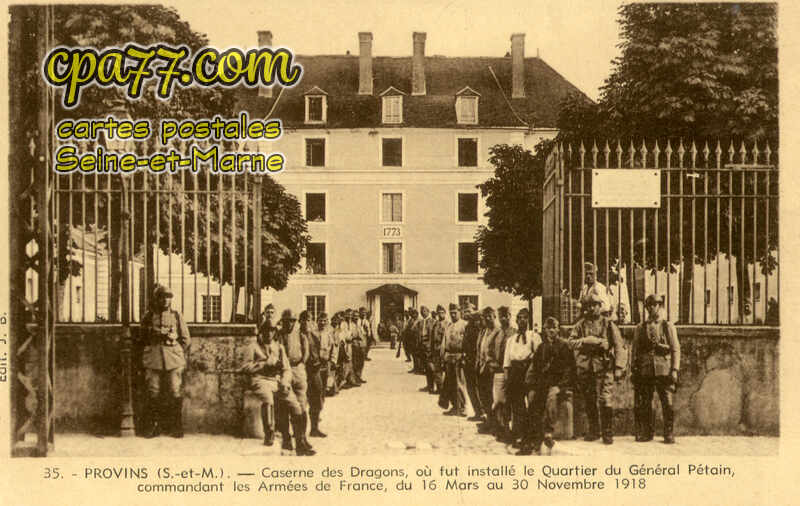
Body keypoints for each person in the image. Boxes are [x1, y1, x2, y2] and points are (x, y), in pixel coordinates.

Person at [569, 292, 625, 444]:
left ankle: (607, 432)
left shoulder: (608, 324)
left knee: (605, 399)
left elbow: (619, 346)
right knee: (589, 399)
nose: (592, 308)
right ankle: (594, 430)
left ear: (600, 306)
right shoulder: (580, 325)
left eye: (595, 305)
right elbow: (571, 342)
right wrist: (587, 340)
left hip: (604, 367)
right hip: (586, 368)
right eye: (589, 305)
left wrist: (619, 367)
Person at [517, 317, 575, 455]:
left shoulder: (564, 346)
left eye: (554, 327)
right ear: (545, 330)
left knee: (551, 400)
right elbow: (535, 367)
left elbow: (569, 368)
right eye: (548, 328)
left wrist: (563, 385)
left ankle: (548, 432)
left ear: (558, 329)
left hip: (557, 383)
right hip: (542, 383)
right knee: (533, 404)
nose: (551, 330)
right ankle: (530, 440)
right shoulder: (541, 347)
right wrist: (531, 384)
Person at [140, 284, 191, 438]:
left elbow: (185, 339)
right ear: (157, 298)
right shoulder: (148, 316)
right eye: (162, 297)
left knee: (175, 391)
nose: (166, 300)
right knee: (152, 391)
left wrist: (177, 351)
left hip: (173, 359)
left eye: (168, 297)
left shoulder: (176, 316)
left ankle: (175, 426)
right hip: (153, 358)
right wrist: (154, 335)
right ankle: (153, 426)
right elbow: (142, 338)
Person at [631, 294, 680, 444]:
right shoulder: (641, 327)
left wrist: (674, 369)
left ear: (660, 306)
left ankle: (668, 433)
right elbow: (635, 349)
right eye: (649, 305)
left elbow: (675, 349)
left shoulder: (667, 326)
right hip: (646, 370)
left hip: (664, 369)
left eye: (655, 304)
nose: (652, 308)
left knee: (667, 402)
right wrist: (634, 367)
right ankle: (647, 432)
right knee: (646, 402)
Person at [242, 311, 296, 447]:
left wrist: (285, 381)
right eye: (266, 330)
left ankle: (294, 435)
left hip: (276, 380)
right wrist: (264, 365)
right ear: (261, 331)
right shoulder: (252, 347)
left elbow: (287, 369)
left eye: (272, 331)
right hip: (260, 379)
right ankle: (269, 432)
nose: (269, 334)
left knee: (292, 401)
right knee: (268, 399)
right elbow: (245, 367)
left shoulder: (279, 347)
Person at [276, 309, 316, 455]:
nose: (290, 323)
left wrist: (301, 364)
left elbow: (306, 352)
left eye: (292, 320)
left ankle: (301, 439)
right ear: (283, 321)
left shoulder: (300, 335)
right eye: (287, 321)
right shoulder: (278, 335)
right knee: (286, 406)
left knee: (301, 406)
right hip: (283, 372)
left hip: (298, 370)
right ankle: (287, 439)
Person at [503, 308, 540, 447]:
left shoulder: (533, 336)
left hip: (528, 370)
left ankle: (530, 435)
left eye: (525, 318)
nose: (522, 320)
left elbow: (538, 355)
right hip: (514, 372)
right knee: (516, 404)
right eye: (519, 318)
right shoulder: (511, 339)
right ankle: (517, 434)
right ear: (516, 320)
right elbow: (507, 360)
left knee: (531, 403)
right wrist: (507, 376)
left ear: (528, 320)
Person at [307, 311, 333, 438]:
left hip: (325, 365)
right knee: (315, 392)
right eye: (320, 320)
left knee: (323, 391)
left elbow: (332, 347)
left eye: (325, 321)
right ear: (317, 321)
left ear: (327, 322)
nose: (322, 323)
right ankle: (314, 419)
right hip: (315, 366)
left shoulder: (328, 334)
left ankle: (318, 414)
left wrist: (332, 361)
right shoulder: (313, 334)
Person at [476, 307, 500, 435]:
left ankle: (495, 424)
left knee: (492, 397)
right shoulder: (484, 331)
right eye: (486, 317)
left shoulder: (498, 331)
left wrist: (491, 363)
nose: (487, 319)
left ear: (494, 316)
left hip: (492, 369)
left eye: (490, 316)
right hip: (481, 367)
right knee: (484, 396)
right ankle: (489, 421)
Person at [441, 303, 468, 416]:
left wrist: (464, 356)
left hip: (459, 356)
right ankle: (454, 406)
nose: (453, 314)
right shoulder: (449, 325)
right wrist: (442, 357)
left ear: (460, 312)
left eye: (455, 312)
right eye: (451, 312)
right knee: (450, 383)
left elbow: (467, 343)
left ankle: (462, 408)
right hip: (449, 357)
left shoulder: (464, 325)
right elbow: (444, 341)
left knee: (459, 383)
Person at [463, 304, 485, 422]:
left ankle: (481, 412)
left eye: (469, 311)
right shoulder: (467, 327)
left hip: (475, 360)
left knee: (477, 387)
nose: (467, 314)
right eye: (465, 311)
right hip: (468, 360)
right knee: (470, 387)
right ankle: (478, 411)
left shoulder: (478, 328)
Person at [416, 306, 436, 393]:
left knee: (431, 367)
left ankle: (433, 386)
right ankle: (428, 385)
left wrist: (430, 346)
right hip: (422, 346)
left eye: (424, 311)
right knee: (426, 367)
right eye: (421, 311)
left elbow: (434, 335)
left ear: (428, 311)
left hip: (429, 346)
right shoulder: (420, 322)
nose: (422, 312)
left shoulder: (433, 322)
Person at [432, 305, 448, 400]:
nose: (440, 314)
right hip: (436, 348)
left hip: (444, 349)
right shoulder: (435, 324)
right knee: (437, 370)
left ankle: (445, 389)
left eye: (442, 312)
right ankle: (439, 388)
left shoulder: (447, 324)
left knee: (446, 370)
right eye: (439, 313)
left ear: (445, 313)